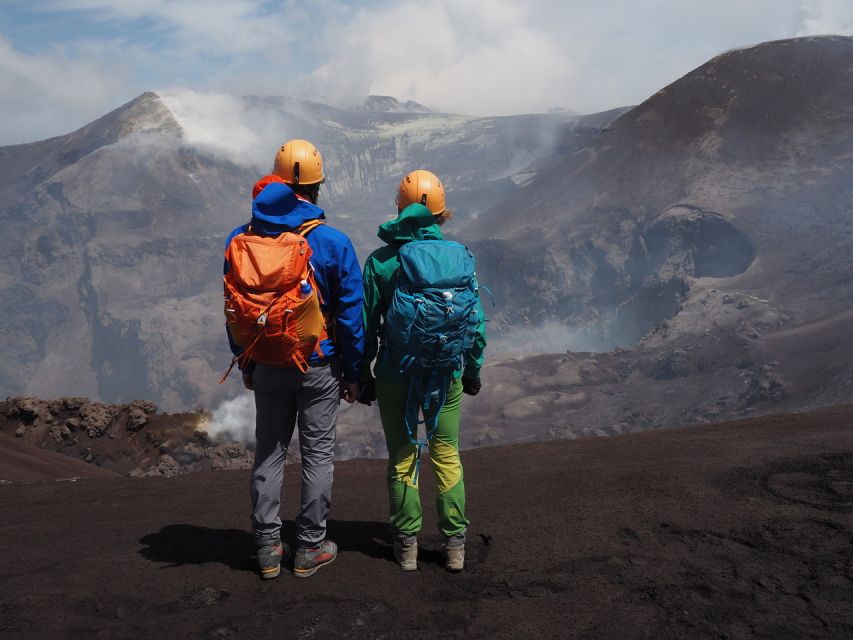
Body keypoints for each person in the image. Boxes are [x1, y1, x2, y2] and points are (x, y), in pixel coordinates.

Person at [223, 139, 364, 579]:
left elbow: (234, 308)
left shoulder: (240, 239)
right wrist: (354, 373)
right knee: (317, 456)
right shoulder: (332, 242)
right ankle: (310, 548)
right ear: (317, 186)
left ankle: (267, 549)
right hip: (319, 364)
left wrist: (246, 361)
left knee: (269, 453)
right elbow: (351, 315)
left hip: (266, 363)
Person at [360, 169, 486, 572]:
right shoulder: (459, 258)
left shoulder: (381, 262)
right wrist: (472, 370)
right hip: (446, 372)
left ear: (400, 208)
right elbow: (475, 323)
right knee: (446, 453)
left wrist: (362, 375)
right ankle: (455, 545)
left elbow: (365, 325)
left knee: (403, 455)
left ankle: (407, 545)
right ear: (442, 213)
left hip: (395, 373)